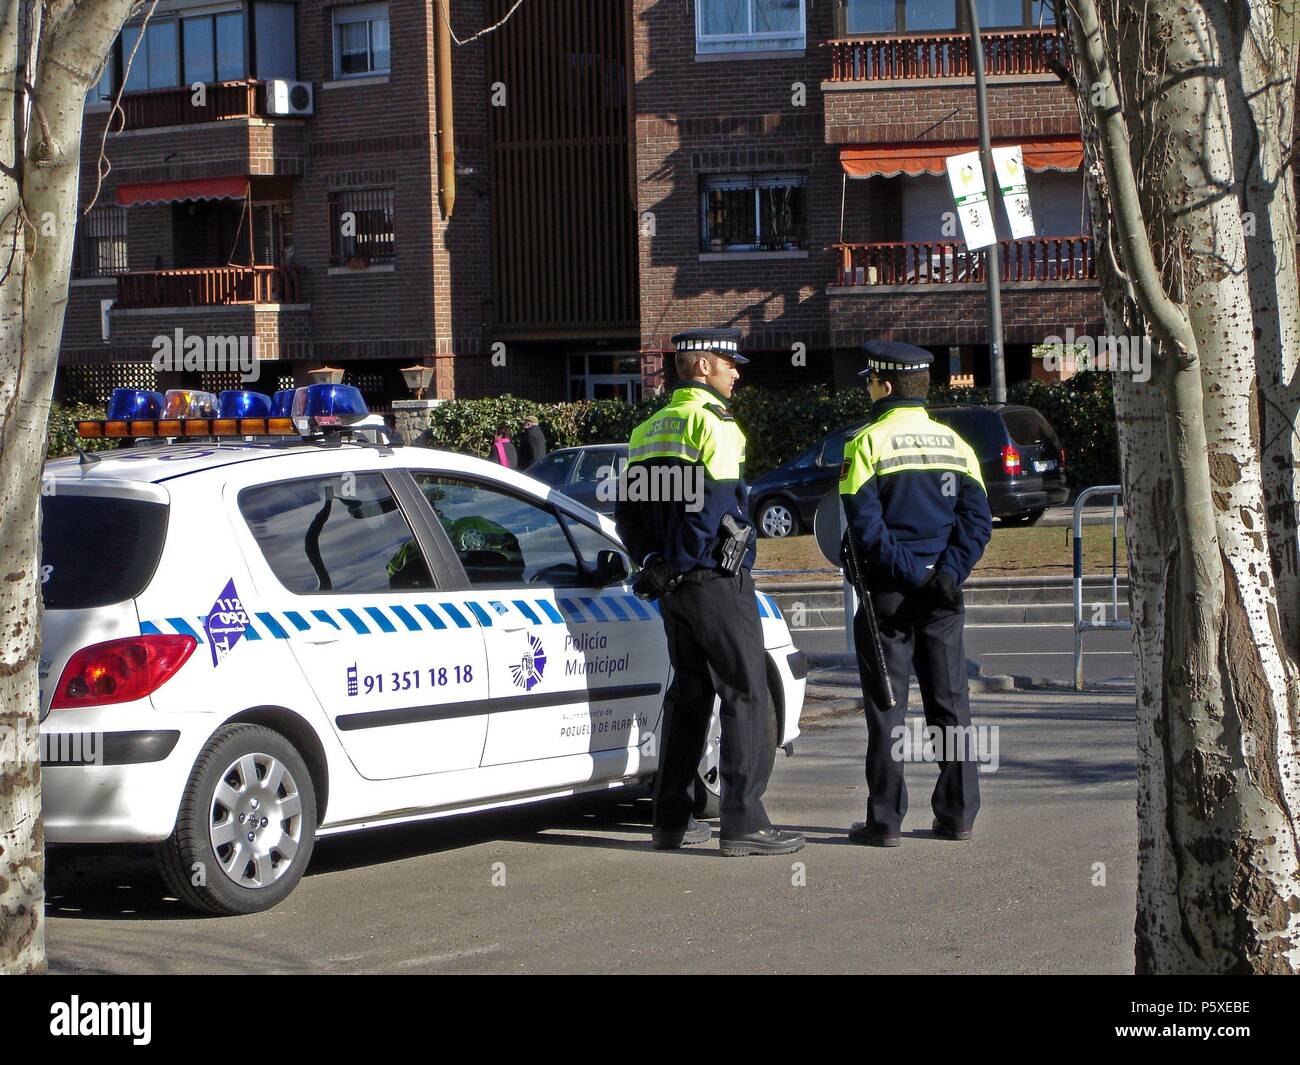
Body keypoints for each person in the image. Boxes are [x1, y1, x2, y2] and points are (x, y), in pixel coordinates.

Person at [615, 327, 804, 857]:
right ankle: (744, 823)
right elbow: (713, 507)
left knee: (689, 695)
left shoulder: (649, 427)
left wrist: (655, 564)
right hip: (715, 578)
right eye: (729, 363)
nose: (737, 372)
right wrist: (679, 562)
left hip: (673, 588)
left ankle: (669, 820)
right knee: (747, 692)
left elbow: (630, 512)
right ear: (703, 368)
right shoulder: (716, 425)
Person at [839, 340, 992, 847]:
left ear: (884, 386)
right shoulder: (957, 446)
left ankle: (884, 822)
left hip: (889, 596)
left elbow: (867, 531)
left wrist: (910, 575)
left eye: (870, 381)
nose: (867, 388)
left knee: (888, 707)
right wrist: (944, 576)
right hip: (943, 598)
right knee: (951, 705)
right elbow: (976, 524)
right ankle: (958, 815)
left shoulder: (865, 444)